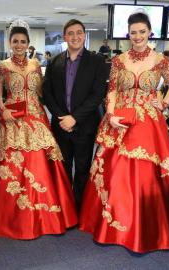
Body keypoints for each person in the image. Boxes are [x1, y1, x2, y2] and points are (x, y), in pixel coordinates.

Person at [79, 12, 169, 253]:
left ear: (150, 33)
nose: (137, 36)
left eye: (142, 32)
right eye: (133, 32)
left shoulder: (161, 60)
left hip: (148, 121)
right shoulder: (118, 61)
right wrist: (111, 115)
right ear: (128, 34)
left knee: (144, 173)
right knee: (115, 172)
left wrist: (164, 102)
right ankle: (110, 226)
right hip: (120, 119)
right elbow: (112, 90)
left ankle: (145, 230)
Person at [0, 20, 77, 239]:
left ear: (28, 44)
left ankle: (46, 215)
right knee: (15, 163)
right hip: (12, 118)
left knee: (41, 161)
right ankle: (14, 217)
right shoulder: (2, 65)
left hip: (36, 116)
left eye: (23, 41)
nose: (19, 45)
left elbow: (41, 92)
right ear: (10, 43)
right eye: (15, 41)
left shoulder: (35, 65)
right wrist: (3, 110)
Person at [42, 19, 107, 207]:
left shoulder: (96, 61)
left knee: (82, 168)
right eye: (70, 33)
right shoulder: (55, 62)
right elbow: (47, 93)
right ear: (64, 36)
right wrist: (63, 117)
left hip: (84, 124)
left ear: (84, 35)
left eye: (79, 32)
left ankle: (79, 207)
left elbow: (97, 94)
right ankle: (64, 207)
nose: (75, 36)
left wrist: (75, 118)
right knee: (62, 168)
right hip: (61, 124)